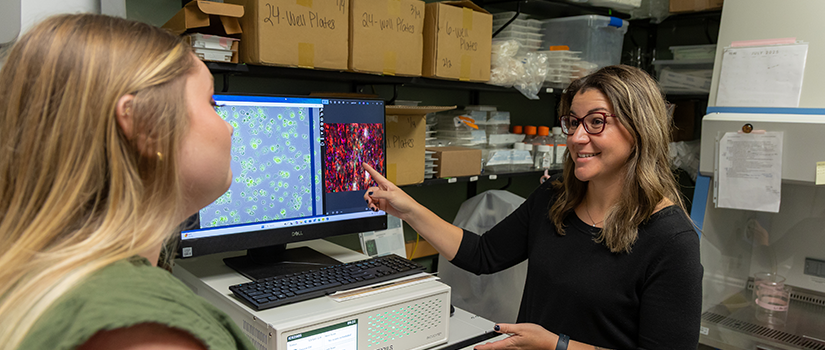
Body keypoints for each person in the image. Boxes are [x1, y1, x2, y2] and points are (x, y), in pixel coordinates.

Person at [363, 65, 702, 350]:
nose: (577, 137)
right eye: (573, 122)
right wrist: (407, 208)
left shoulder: (670, 240)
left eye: (596, 122)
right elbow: (482, 254)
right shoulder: (556, 198)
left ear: (639, 127)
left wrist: (557, 345)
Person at [0, 14, 255, 350]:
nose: (230, 127)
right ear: (147, 126)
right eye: (212, 102)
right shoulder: (146, 332)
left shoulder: (44, 275)